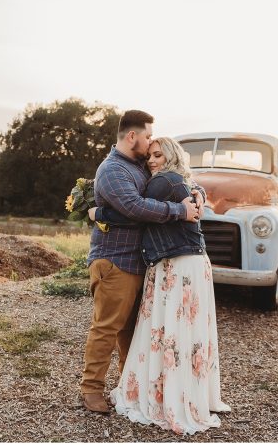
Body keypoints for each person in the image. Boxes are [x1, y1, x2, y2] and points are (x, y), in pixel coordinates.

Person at [93, 137, 231, 434]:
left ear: (171, 156)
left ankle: (170, 398)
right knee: (185, 332)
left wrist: (96, 212)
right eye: (149, 157)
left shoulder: (162, 181)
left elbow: (134, 210)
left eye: (158, 155)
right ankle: (188, 394)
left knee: (171, 332)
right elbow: (161, 201)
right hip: (190, 263)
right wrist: (197, 193)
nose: (151, 160)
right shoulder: (178, 180)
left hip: (176, 264)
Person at [80, 109, 203, 414]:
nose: (150, 144)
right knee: (107, 328)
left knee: (133, 333)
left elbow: (175, 180)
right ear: (132, 136)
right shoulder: (112, 171)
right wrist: (180, 212)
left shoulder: (139, 166)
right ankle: (91, 390)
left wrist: (198, 193)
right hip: (115, 262)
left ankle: (128, 389)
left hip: (141, 263)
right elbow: (135, 208)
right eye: (148, 135)